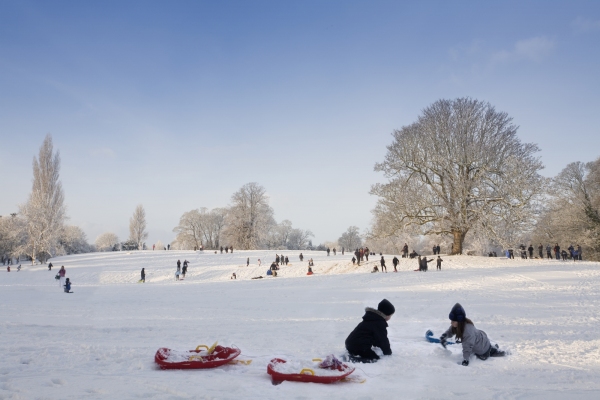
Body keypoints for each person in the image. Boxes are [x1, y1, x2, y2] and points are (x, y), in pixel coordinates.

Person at [439, 303, 506, 366]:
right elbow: (452, 330)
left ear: (459, 321)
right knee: (482, 341)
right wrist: (445, 335)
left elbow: (467, 348)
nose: (451, 323)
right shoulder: (461, 324)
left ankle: (494, 351)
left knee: (486, 352)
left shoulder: (467, 332)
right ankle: (491, 347)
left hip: (482, 351)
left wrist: (466, 360)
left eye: (453, 321)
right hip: (482, 339)